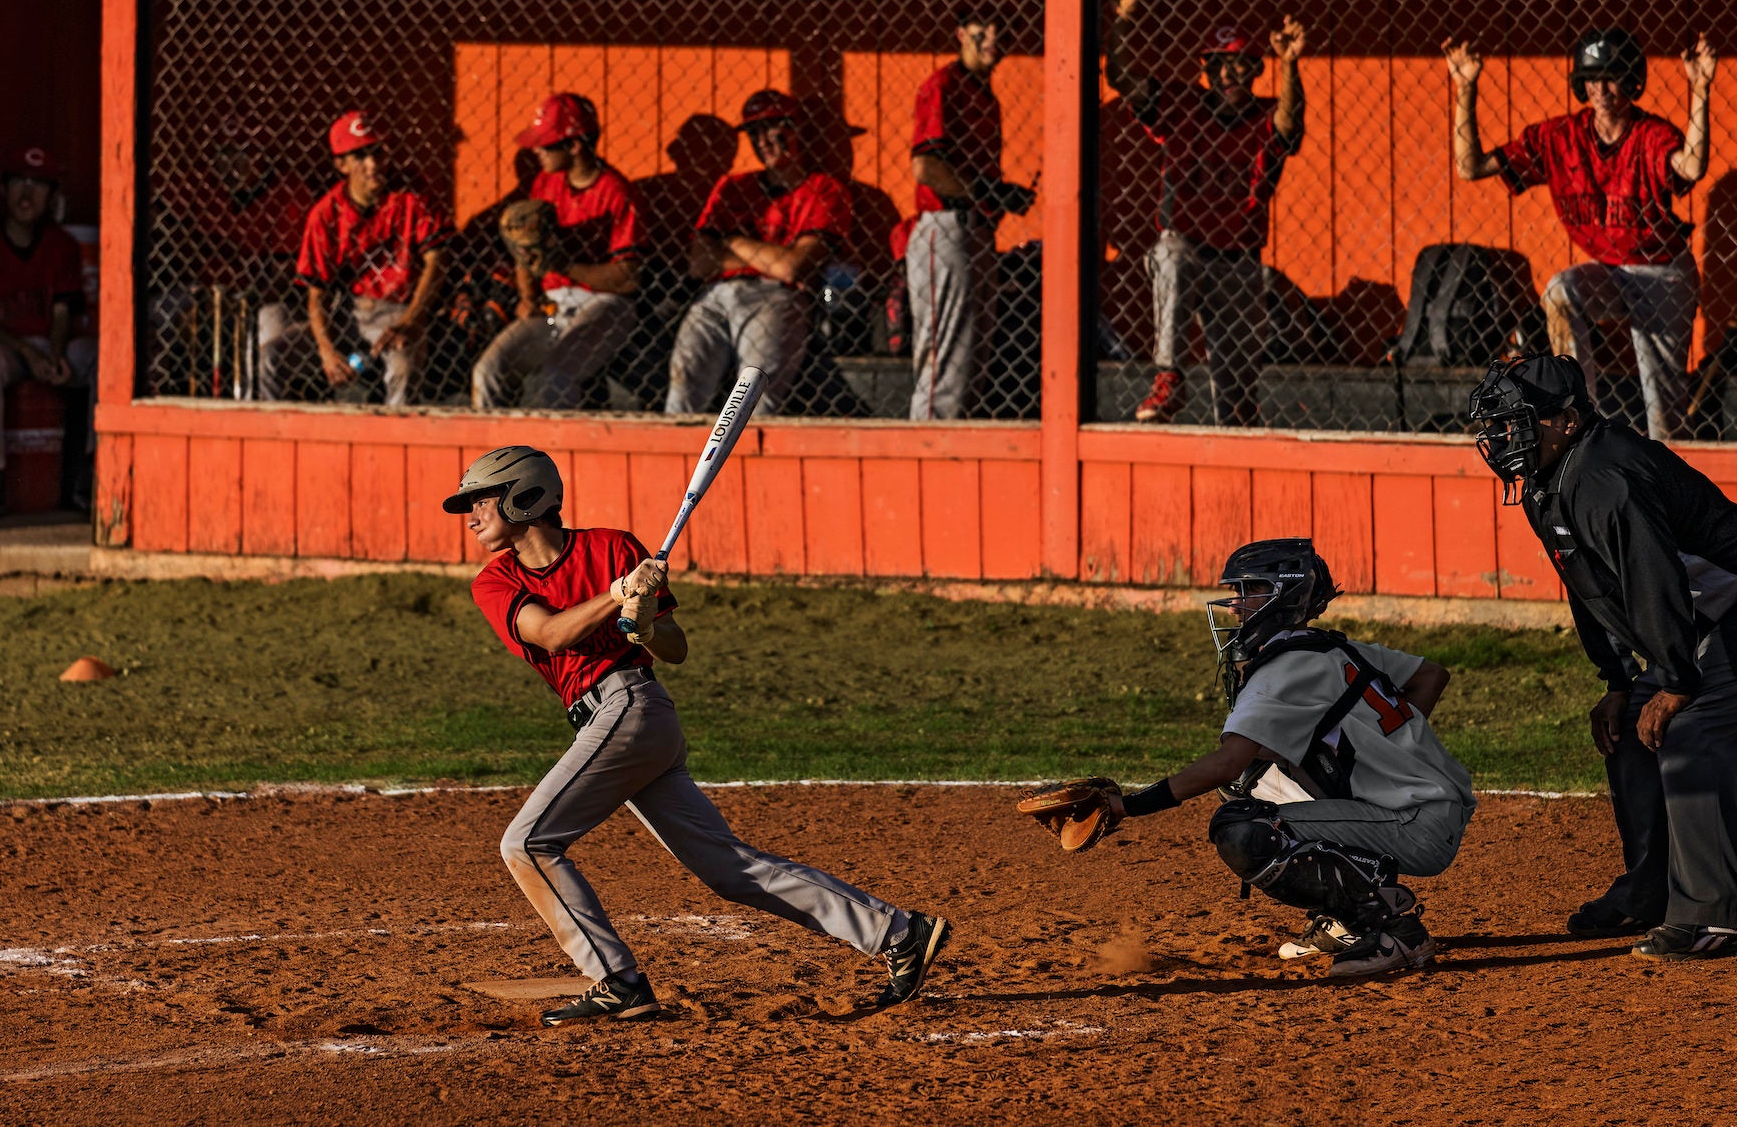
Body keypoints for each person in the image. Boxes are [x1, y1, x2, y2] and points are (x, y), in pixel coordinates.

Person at [446, 445, 952, 1024]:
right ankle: (900, 932)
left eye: (481, 500)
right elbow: (554, 634)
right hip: (613, 722)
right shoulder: (495, 580)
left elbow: (675, 647)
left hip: (633, 706)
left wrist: (640, 625)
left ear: (523, 496)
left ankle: (616, 979)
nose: (471, 515)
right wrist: (617, 597)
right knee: (726, 867)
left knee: (527, 843)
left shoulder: (615, 547)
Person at [1026, 539, 1474, 978]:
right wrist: (1390, 746)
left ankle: (1391, 928)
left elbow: (1226, 759)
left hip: (1415, 824)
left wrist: (1129, 805)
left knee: (1245, 830)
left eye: (1249, 590)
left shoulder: (1284, 670)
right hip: (1426, 806)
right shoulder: (1330, 648)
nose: (1236, 604)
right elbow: (1431, 676)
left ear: (1285, 595)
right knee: (1252, 780)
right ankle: (1352, 910)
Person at [1469, 354, 1737, 958]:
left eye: (1515, 424)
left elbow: (1653, 578)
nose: (1499, 439)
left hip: (1727, 614)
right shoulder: (1550, 477)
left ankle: (1715, 914)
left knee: (1690, 735)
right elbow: (1589, 585)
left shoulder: (1604, 477)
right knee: (1625, 731)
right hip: (1691, 626)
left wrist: (1673, 680)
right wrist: (1618, 679)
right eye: (1495, 426)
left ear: (1565, 420)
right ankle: (1651, 890)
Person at [1445, 29, 1714, 441]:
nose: (1601, 90)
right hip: (1609, 271)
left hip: (1662, 274)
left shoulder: (1650, 134)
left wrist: (1700, 88)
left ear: (1630, 81)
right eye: (1591, 79)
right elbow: (1471, 167)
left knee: (1664, 414)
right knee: (1560, 291)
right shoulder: (1559, 138)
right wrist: (1466, 86)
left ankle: (1670, 477)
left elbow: (1692, 166)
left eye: (1610, 78)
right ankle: (1579, 417)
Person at [1103, 0, 1307, 427]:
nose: (1229, 74)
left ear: (1257, 69)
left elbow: (1289, 124)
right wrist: (1122, 18)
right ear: (1206, 70)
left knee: (1236, 402)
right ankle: (1169, 376)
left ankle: (1236, 427)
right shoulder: (1182, 104)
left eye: (1241, 64)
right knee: (1169, 254)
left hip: (1239, 261)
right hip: (1189, 248)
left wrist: (1290, 64)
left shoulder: (1263, 115)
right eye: (1219, 64)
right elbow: (1120, 77)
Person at [665, 90, 849, 415]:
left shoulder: (824, 189)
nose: (762, 140)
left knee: (753, 398)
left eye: (771, 128)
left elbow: (793, 268)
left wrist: (731, 241)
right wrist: (770, 256)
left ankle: (748, 463)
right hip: (715, 295)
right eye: (753, 132)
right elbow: (699, 263)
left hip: (777, 297)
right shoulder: (732, 186)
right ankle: (681, 464)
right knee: (684, 385)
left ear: (795, 129)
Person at [471, 94, 645, 410]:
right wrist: (526, 294)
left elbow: (627, 279)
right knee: (488, 372)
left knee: (557, 376)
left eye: (546, 143)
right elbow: (525, 249)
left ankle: (556, 458)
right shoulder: (546, 181)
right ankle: (496, 457)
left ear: (575, 145)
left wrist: (562, 264)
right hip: (551, 305)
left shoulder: (615, 190)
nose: (536, 149)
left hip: (605, 305)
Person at [906, 0, 1034, 419]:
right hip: (945, 228)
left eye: (1001, 24)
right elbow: (927, 167)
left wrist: (1000, 193)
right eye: (983, 23)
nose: (994, 33)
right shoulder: (943, 84)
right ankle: (924, 456)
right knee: (946, 362)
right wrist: (992, 193)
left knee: (972, 364)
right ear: (961, 33)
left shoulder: (985, 94)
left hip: (976, 231)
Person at [0, 148, 97, 519]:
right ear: (3, 189)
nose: (27, 193)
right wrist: (28, 354)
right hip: (8, 348)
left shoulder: (61, 244)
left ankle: (95, 474)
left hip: (50, 346)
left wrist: (56, 355)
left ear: (52, 196)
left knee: (102, 356)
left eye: (38, 184)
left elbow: (63, 311)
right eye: (19, 182)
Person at [293, 111, 452, 408]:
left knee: (402, 362)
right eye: (360, 156)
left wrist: (410, 322)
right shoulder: (326, 214)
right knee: (273, 355)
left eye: (378, 152)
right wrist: (326, 351)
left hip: (399, 308)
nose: (373, 164)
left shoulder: (411, 195)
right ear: (341, 164)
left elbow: (437, 262)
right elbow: (317, 297)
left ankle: (399, 441)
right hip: (348, 312)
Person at [174, 117, 312, 400]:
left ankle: (257, 413)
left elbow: (283, 277)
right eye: (223, 153)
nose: (231, 163)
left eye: (243, 152)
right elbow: (173, 251)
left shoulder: (289, 191)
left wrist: (240, 303)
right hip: (205, 294)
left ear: (262, 156)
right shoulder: (201, 185)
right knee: (164, 314)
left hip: (266, 299)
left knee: (264, 338)